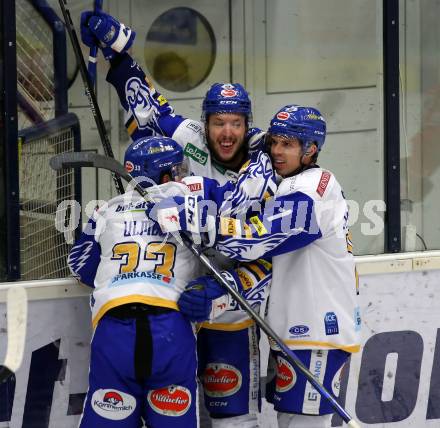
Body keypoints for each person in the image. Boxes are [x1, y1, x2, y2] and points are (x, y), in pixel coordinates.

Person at [80, 11, 266, 427]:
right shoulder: (188, 141)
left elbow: (273, 239)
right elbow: (145, 106)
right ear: (207, 123)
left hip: (230, 306)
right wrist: (118, 53)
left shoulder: (265, 163)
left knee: (234, 420)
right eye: (219, 122)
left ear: (246, 124)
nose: (227, 132)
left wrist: (231, 289)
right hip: (174, 306)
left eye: (236, 123)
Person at [154, 105, 362, 428]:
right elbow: (267, 263)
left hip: (318, 333)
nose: (277, 151)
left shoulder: (313, 189)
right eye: (275, 142)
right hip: (294, 334)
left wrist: (204, 224)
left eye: (288, 144)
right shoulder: (288, 186)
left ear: (311, 150)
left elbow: (261, 238)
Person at [68, 136, 204, 428]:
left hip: (115, 330)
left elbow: (80, 267)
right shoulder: (193, 204)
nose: (183, 174)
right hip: (170, 329)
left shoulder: (105, 210)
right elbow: (223, 256)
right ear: (166, 174)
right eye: (179, 169)